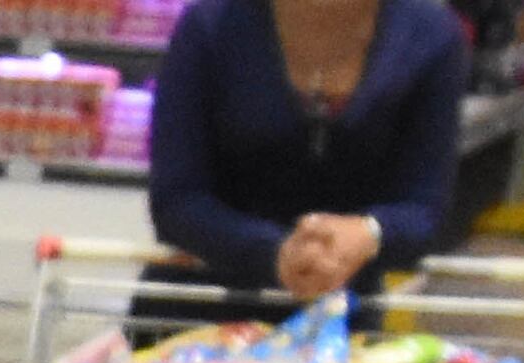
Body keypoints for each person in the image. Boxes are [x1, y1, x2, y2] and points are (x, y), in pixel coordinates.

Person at [148, 0, 469, 307]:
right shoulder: (209, 25)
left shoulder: (431, 37)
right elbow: (176, 200)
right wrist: (275, 252)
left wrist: (368, 233)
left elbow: (425, 209)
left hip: (343, 326)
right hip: (198, 318)